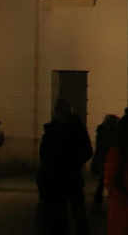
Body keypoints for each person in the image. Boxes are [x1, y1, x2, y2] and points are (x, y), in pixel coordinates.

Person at [38, 97, 95, 234]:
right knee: (59, 212)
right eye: (55, 108)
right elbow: (45, 153)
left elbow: (87, 151)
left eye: (59, 108)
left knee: (77, 212)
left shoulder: (76, 128)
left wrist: (69, 162)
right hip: (54, 178)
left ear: (67, 110)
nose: (56, 111)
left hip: (70, 177)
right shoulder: (53, 127)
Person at [92, 112, 120, 215]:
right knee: (106, 183)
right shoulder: (109, 134)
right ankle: (99, 205)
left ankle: (97, 205)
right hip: (106, 161)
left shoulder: (102, 132)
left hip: (101, 160)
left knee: (102, 183)